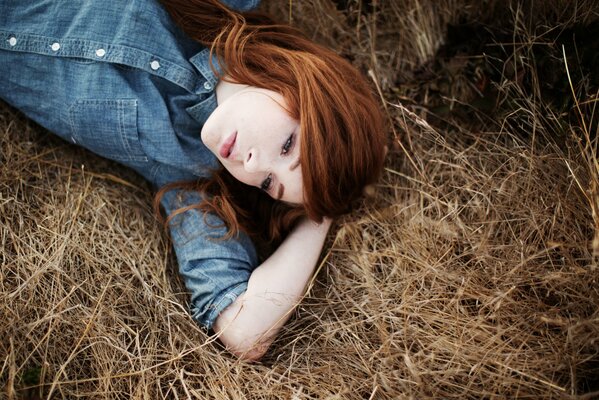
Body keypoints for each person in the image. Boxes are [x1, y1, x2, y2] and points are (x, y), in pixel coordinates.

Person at [0, 0, 386, 360]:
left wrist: (319, 216)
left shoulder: (192, 178)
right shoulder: (226, 8)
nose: (251, 166)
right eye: (287, 146)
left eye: (269, 183)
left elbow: (245, 333)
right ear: (303, 85)